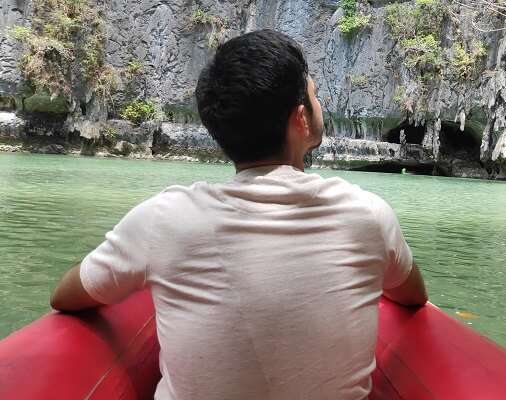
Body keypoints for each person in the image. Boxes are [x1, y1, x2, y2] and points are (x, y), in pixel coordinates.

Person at [50, 29, 428, 400]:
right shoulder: (368, 215)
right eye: (315, 96)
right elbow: (412, 295)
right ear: (301, 120)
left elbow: (66, 296)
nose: (320, 105)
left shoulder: (163, 220)